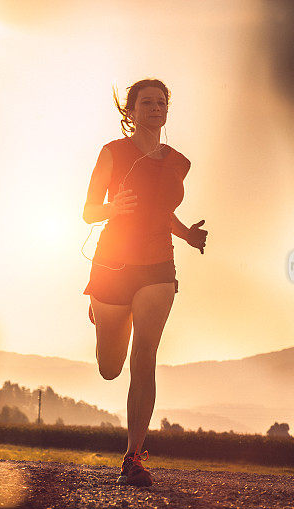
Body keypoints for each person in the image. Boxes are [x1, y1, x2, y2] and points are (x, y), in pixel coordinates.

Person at [81, 79, 208, 486]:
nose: (155, 108)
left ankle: (133, 457)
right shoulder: (112, 153)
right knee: (110, 368)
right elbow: (87, 211)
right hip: (112, 265)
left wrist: (187, 233)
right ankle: (103, 317)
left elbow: (160, 211)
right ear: (130, 111)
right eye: (146, 103)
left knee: (145, 357)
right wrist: (111, 208)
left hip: (157, 267)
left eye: (161, 103)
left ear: (166, 111)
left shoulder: (176, 161)